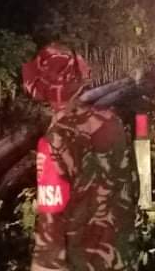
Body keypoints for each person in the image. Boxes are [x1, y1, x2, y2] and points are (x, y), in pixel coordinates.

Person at [22, 44, 135, 271]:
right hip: (120, 250)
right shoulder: (112, 122)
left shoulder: (54, 141)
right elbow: (131, 184)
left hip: (82, 259)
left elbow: (50, 223)